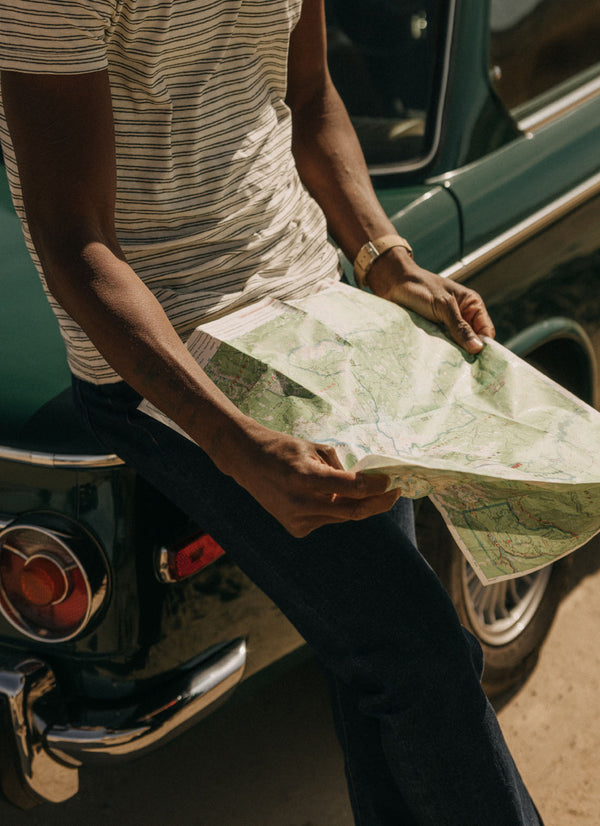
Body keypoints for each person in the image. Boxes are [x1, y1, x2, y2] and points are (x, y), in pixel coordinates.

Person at [0, 1, 544, 823]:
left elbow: (309, 97)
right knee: (420, 655)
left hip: (318, 310)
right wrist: (237, 444)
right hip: (175, 356)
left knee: (378, 659)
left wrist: (382, 257)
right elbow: (73, 236)